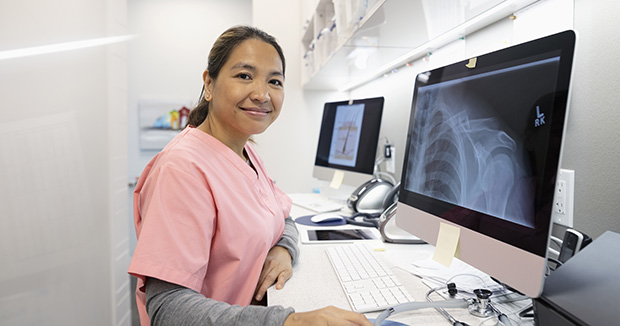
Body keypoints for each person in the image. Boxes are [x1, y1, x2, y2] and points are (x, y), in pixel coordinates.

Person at [128, 25, 374, 326]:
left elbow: (283, 217)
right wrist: (291, 322)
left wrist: (284, 249)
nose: (261, 94)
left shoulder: (245, 152)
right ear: (209, 84)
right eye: (244, 76)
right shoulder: (181, 170)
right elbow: (169, 308)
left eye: (274, 81)